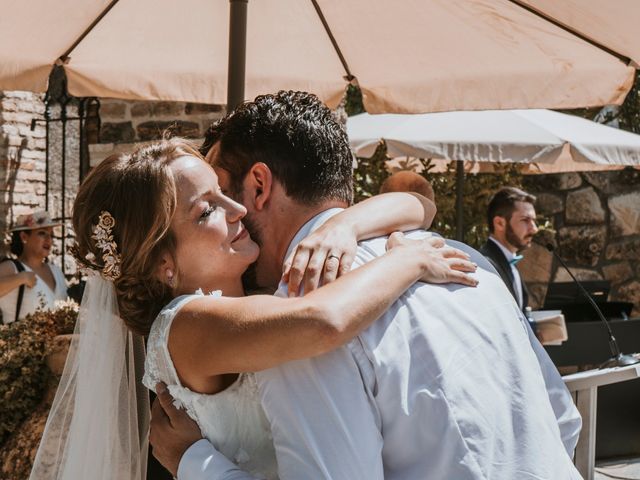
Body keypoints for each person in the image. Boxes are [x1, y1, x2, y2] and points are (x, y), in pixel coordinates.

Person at [153, 91, 582, 480]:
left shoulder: (304, 305)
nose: (230, 213)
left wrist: (195, 461)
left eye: (225, 193)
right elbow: (562, 418)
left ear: (260, 187)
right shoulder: (460, 256)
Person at [30, 137, 477, 480]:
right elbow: (324, 322)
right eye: (207, 211)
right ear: (163, 262)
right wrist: (410, 259)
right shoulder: (184, 325)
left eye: (224, 192)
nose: (239, 209)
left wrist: (345, 225)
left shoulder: (248, 288)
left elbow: (419, 205)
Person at [480, 187, 539, 331]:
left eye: (533, 221)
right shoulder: (485, 266)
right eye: (525, 220)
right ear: (499, 223)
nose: (534, 229)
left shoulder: (508, 261)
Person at [0, 210, 66, 324]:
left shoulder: (56, 271)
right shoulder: (12, 268)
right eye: (42, 233)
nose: (49, 239)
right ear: (24, 237)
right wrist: (21, 278)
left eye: (51, 235)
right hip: (22, 341)